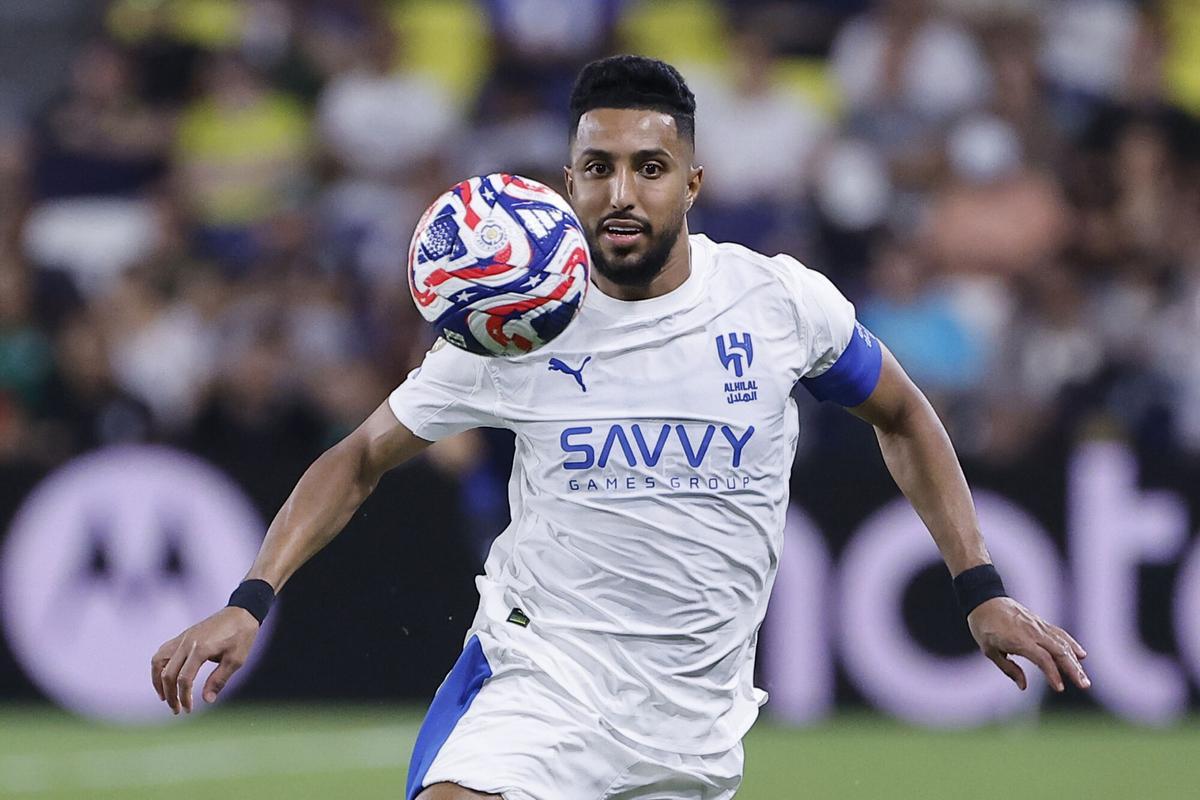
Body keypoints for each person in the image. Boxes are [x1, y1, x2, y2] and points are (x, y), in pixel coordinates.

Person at [151, 55, 1090, 800]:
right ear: (568, 181)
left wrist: (979, 587)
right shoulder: (516, 326)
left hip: (694, 727)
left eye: (650, 168)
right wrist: (251, 597)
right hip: (542, 679)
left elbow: (905, 415)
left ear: (693, 182)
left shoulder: (776, 303)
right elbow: (357, 458)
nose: (621, 194)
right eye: (598, 169)